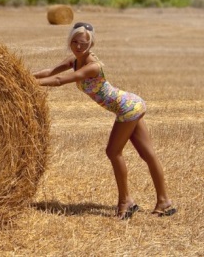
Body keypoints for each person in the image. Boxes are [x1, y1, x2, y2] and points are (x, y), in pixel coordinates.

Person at [33, 22, 176, 220]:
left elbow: (59, 81)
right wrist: (23, 77)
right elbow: (50, 72)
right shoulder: (74, 60)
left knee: (113, 151)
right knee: (148, 154)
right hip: (130, 105)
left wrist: (33, 84)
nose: (78, 46)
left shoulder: (93, 66)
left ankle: (126, 201)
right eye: (74, 42)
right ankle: (164, 202)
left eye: (83, 43)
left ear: (91, 44)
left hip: (128, 107)